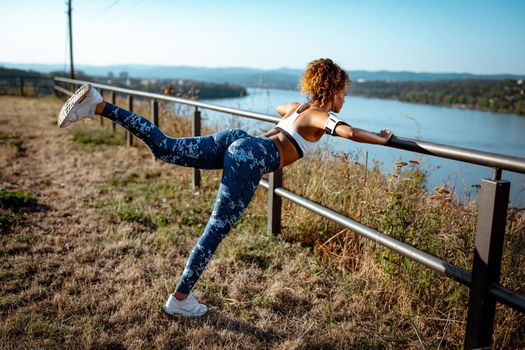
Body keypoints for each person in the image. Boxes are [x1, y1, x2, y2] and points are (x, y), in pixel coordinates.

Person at [57, 58, 393, 317]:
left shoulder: (297, 107)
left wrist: (297, 116)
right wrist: (380, 137)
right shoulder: (319, 116)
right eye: (344, 96)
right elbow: (346, 132)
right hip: (248, 158)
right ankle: (181, 299)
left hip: (238, 141)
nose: (344, 102)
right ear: (333, 93)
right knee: (215, 229)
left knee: (165, 147)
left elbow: (281, 109)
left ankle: (100, 105)